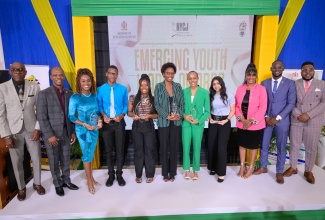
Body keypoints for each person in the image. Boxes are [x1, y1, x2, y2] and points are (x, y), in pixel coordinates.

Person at [0, 62, 45, 201]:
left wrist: (38, 128)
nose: (18, 72)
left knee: (36, 158)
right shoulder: (2, 88)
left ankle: (37, 184)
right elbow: (1, 114)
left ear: (25, 72)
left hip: (32, 129)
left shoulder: (34, 87)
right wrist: (6, 135)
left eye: (20, 70)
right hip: (13, 131)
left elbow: (41, 111)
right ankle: (21, 188)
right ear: (10, 72)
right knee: (17, 161)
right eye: (14, 70)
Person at [37, 67, 79, 196]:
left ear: (64, 76)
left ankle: (66, 180)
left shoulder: (69, 94)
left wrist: (72, 132)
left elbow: (71, 115)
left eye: (61, 75)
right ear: (51, 77)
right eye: (55, 75)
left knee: (66, 158)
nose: (58, 77)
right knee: (54, 160)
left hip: (66, 133)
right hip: (52, 135)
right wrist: (49, 135)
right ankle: (57, 184)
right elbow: (41, 117)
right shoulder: (44, 94)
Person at [253, 60, 296, 184]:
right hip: (266, 120)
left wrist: (277, 118)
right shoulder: (264, 83)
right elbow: (262, 102)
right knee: (264, 144)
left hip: (281, 121)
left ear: (283, 69)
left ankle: (279, 171)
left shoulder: (290, 83)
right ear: (271, 68)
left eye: (279, 67)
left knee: (281, 147)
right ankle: (263, 167)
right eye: (275, 67)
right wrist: (266, 116)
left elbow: (291, 103)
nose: (277, 69)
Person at [284, 61, 325, 184]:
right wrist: (298, 114)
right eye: (304, 70)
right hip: (297, 119)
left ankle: (308, 170)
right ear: (301, 71)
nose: (307, 72)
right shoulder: (294, 84)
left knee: (311, 148)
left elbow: (324, 103)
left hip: (314, 120)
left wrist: (308, 115)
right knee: (294, 145)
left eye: (310, 70)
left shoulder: (322, 84)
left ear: (314, 71)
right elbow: (290, 101)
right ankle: (293, 167)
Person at [68, 68, 102, 194]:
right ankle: (89, 181)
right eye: (83, 81)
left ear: (91, 81)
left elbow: (98, 112)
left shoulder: (94, 96)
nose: (86, 83)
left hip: (94, 129)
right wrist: (84, 124)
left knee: (91, 153)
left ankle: (91, 177)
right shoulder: (75, 98)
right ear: (79, 82)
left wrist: (99, 121)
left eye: (88, 80)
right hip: (82, 130)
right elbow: (71, 117)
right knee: (87, 154)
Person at [97, 65, 128, 187]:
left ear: (117, 75)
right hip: (107, 124)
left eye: (115, 73)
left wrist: (121, 115)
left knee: (120, 151)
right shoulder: (100, 90)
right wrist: (103, 115)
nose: (112, 76)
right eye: (110, 73)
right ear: (106, 74)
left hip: (119, 123)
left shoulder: (123, 89)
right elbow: (99, 106)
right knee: (109, 151)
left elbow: (125, 105)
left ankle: (119, 175)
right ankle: (111, 175)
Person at [235, 63, 267, 179]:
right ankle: (242, 166)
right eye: (249, 75)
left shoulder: (261, 89)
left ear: (256, 76)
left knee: (253, 146)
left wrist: (250, 121)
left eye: (253, 75)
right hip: (241, 123)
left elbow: (262, 107)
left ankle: (251, 167)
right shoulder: (240, 89)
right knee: (242, 145)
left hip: (255, 125)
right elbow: (237, 106)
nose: (251, 77)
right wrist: (243, 120)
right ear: (245, 76)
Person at [154, 62, 184, 182]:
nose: (170, 75)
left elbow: (182, 103)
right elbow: (156, 104)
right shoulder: (158, 87)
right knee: (164, 147)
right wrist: (167, 116)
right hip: (163, 121)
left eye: (172, 73)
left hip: (176, 122)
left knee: (174, 147)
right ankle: (165, 173)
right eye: (168, 73)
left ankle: (172, 173)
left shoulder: (178, 86)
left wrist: (179, 115)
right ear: (163, 74)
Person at [127, 74, 157, 183]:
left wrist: (149, 116)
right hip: (137, 127)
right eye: (142, 85)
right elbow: (129, 112)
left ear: (149, 86)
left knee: (149, 151)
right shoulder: (133, 98)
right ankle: (138, 175)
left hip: (148, 126)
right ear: (139, 86)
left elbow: (157, 115)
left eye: (146, 85)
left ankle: (150, 175)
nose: (144, 87)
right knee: (138, 151)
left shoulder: (153, 99)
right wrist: (133, 116)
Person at [182, 71, 210, 181]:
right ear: (187, 79)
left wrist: (198, 120)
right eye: (190, 78)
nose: (192, 80)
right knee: (186, 148)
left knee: (197, 148)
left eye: (194, 78)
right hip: (186, 125)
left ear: (198, 78)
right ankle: (187, 170)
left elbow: (207, 111)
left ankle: (196, 171)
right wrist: (184, 116)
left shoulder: (204, 92)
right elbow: (180, 109)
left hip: (198, 125)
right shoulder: (184, 92)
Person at [207, 76, 235, 183]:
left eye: (218, 83)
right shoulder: (211, 95)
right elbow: (208, 109)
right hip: (213, 121)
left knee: (221, 148)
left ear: (222, 84)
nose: (216, 86)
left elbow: (233, 109)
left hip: (224, 122)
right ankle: (213, 168)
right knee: (212, 145)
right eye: (214, 84)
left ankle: (221, 173)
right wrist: (210, 118)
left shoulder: (229, 95)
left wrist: (227, 120)